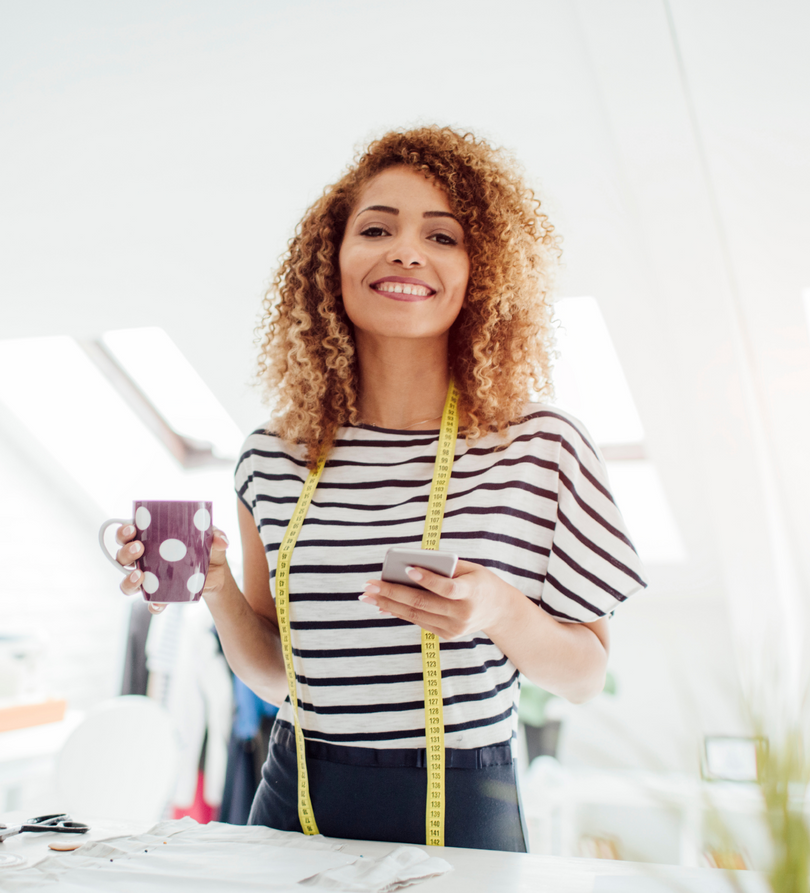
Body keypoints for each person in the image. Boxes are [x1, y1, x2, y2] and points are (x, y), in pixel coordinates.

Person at [114, 126, 647, 852]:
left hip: (464, 821)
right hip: (290, 814)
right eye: (376, 227)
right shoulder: (272, 457)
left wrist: (497, 608)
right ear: (330, 260)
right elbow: (279, 677)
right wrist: (215, 587)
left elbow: (586, 676)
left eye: (443, 235)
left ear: (480, 271)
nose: (406, 250)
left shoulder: (542, 447)